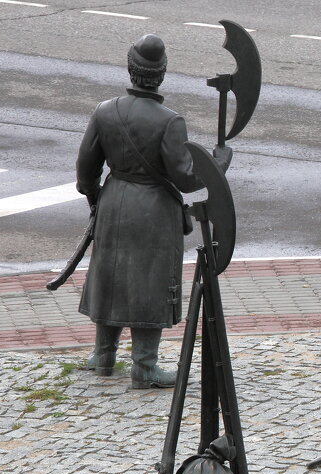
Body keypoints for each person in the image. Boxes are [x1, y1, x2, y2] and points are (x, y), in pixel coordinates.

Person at [76, 34, 232, 389]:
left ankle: (104, 355)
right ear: (161, 74)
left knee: (110, 275)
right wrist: (217, 164)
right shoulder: (169, 121)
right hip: (154, 209)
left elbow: (86, 169)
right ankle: (144, 366)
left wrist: (96, 200)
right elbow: (186, 178)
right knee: (149, 280)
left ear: (130, 69)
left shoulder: (105, 110)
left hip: (114, 200)